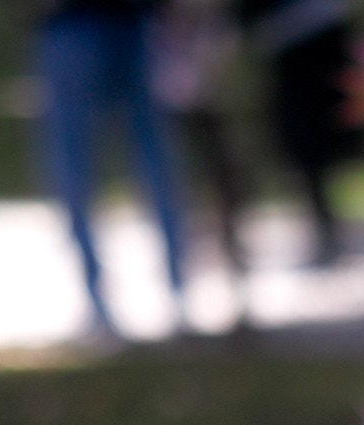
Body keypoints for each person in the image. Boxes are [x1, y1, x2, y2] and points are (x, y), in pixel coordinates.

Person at [29, 0, 187, 335]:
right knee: (152, 163)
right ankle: (174, 295)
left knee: (78, 167)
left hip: (92, 26)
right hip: (124, 24)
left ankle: (103, 304)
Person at [236, 0, 358, 267]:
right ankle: (326, 223)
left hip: (319, 38)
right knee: (308, 144)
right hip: (290, 48)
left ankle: (338, 221)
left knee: (337, 130)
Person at [153, 0, 252, 297]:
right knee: (178, 182)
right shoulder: (153, 29)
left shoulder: (217, 30)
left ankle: (233, 267)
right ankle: (186, 271)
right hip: (171, 101)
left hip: (210, 100)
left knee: (224, 181)